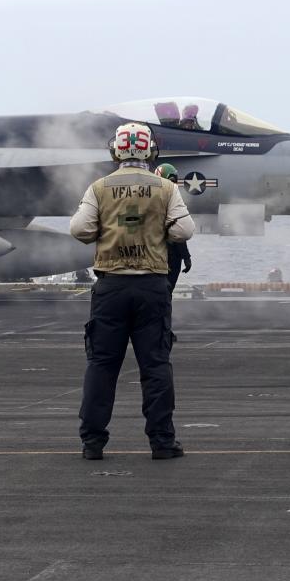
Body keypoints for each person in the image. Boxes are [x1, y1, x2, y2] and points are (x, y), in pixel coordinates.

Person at [70, 122, 196, 460]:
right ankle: (162, 443)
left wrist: (105, 231)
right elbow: (185, 229)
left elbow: (80, 228)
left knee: (101, 365)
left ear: (117, 150)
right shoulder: (165, 188)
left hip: (111, 286)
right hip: (151, 286)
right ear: (149, 150)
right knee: (155, 365)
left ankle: (92, 442)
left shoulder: (99, 187)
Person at [154, 163, 193, 292]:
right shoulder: (171, 201)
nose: (174, 183)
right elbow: (179, 232)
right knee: (165, 292)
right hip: (169, 255)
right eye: (172, 180)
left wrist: (186, 257)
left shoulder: (151, 200)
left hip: (155, 256)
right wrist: (186, 257)